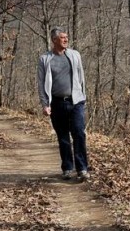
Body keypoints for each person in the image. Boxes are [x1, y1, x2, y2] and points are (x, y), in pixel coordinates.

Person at [37, 27, 90, 181]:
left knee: (79, 133)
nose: (66, 40)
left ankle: (82, 169)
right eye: (62, 37)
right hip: (57, 103)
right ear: (54, 40)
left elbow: (81, 77)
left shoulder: (75, 55)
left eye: (67, 37)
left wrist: (83, 97)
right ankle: (67, 168)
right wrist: (45, 104)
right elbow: (41, 84)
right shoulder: (45, 59)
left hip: (76, 101)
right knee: (63, 137)